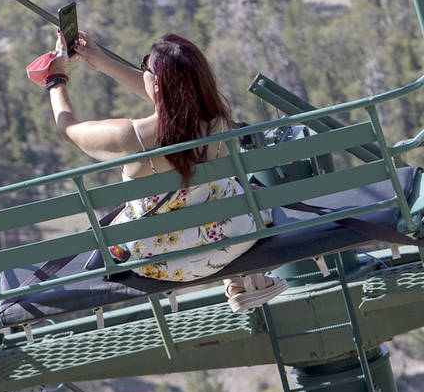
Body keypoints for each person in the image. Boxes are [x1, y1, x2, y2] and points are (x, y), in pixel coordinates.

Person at [44, 31, 287, 312]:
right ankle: (239, 281)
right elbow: (172, 100)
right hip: (234, 240)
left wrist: (55, 78)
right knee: (219, 193)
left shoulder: (129, 137)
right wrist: (103, 62)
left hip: (160, 262)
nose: (142, 69)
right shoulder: (218, 122)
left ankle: (238, 281)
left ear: (157, 84)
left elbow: (68, 128)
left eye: (146, 65)